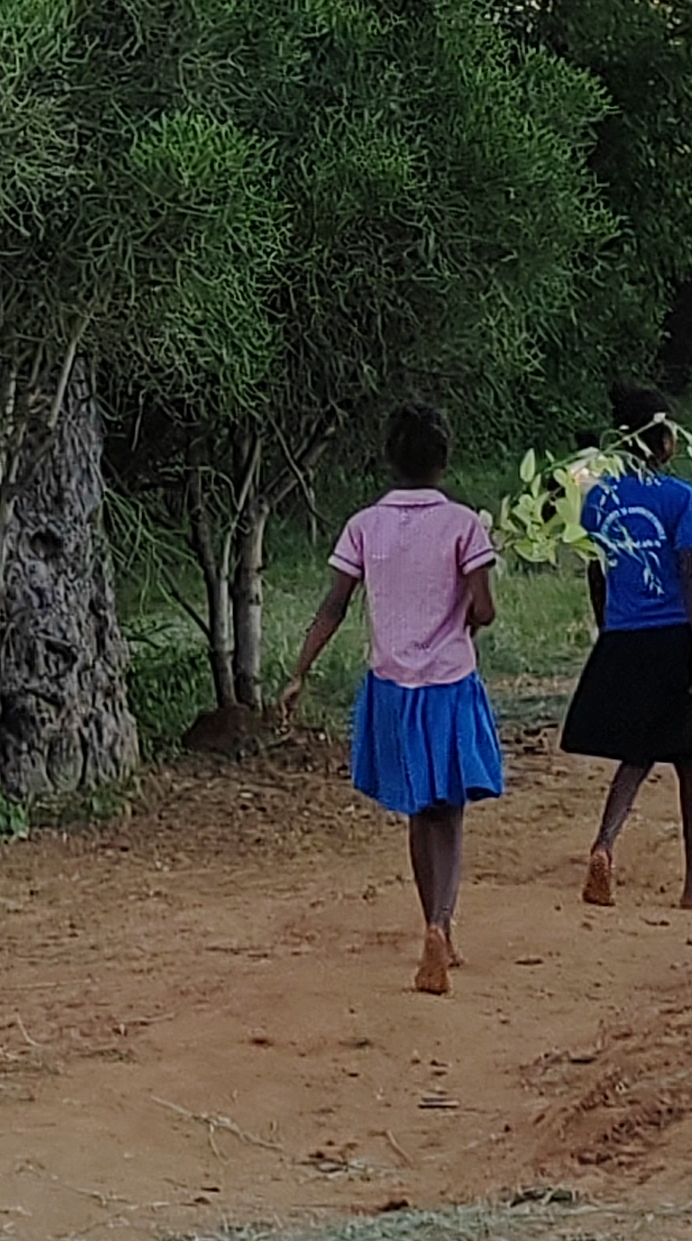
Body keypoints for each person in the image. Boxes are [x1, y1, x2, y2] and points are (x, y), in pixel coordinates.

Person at [282, 400, 504, 995]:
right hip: (449, 684)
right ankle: (443, 926)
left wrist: (299, 672)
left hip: (392, 687)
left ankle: (427, 918)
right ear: (444, 458)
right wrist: (469, 610)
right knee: (448, 811)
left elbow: (333, 605)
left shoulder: (365, 525)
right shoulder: (464, 524)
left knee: (415, 809)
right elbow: (483, 608)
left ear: (390, 459)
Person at [560, 407, 692, 910]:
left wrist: (607, 629)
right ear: (661, 445)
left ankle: (604, 845)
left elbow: (596, 570)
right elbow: (688, 574)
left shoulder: (599, 500)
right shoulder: (680, 497)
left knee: (636, 754)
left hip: (625, 636)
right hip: (672, 635)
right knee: (689, 760)